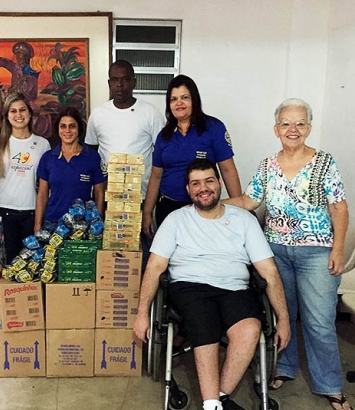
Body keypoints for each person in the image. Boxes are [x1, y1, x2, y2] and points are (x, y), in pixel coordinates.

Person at [224, 98, 352, 410]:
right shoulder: (268, 165)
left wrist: (338, 249)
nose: (292, 129)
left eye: (299, 123)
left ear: (309, 128)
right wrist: (211, 203)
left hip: (316, 252)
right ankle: (285, 367)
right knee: (283, 315)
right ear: (276, 129)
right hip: (276, 252)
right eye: (285, 123)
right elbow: (248, 201)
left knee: (319, 321)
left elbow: (339, 206)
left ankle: (330, 385)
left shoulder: (324, 162)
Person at [134, 158, 290, 410]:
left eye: (209, 180)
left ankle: (220, 397)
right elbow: (154, 267)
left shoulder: (244, 220)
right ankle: (211, 404)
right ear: (188, 190)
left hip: (235, 288)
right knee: (204, 321)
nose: (202, 188)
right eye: (195, 183)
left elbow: (269, 271)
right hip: (189, 287)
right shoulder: (176, 220)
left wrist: (282, 318)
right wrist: (142, 314)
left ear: (219, 183)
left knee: (250, 329)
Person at [142, 75, 242, 239]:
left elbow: (227, 169)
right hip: (168, 209)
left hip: (205, 207)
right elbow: (155, 176)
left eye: (184, 97)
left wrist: (240, 207)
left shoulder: (213, 128)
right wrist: (147, 213)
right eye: (173, 99)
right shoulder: (164, 136)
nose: (179, 103)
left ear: (194, 100)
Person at [0, 92, 50, 262]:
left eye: (22, 110)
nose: (18, 115)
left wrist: (40, 218)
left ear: (30, 113)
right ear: (6, 116)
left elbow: (45, 184)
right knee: (8, 263)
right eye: (13, 111)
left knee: (31, 264)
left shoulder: (43, 144)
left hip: (32, 212)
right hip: (4, 212)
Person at [85, 60, 164, 198]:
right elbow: (91, 152)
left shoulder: (151, 112)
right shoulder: (98, 114)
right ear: (109, 84)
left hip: (140, 194)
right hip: (107, 194)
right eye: (115, 80)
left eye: (125, 80)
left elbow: (161, 152)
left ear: (134, 82)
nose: (120, 85)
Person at [34, 107, 106, 231]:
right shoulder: (48, 158)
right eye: (63, 126)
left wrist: (97, 224)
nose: (67, 130)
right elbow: (42, 195)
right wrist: (37, 225)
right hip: (52, 224)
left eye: (72, 126)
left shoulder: (92, 157)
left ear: (79, 129)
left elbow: (99, 193)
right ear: (58, 129)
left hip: (83, 226)